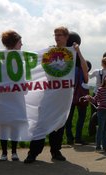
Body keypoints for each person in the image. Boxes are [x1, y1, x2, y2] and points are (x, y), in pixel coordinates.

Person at [24, 26, 89, 164]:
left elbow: (85, 71)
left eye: (60, 35)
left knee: (59, 125)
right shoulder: (50, 51)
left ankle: (56, 151)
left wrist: (78, 51)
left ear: (66, 37)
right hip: (48, 95)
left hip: (63, 98)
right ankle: (33, 153)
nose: (57, 37)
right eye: (55, 34)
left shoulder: (72, 54)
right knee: (41, 124)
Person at [0, 30, 23, 161]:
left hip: (16, 96)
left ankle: (13, 151)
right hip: (4, 96)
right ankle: (4, 152)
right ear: (14, 43)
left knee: (14, 123)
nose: (22, 44)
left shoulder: (21, 59)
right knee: (4, 124)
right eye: (20, 42)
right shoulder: (0, 58)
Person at [86, 71, 106, 152]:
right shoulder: (101, 89)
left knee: (105, 129)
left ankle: (105, 147)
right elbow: (95, 100)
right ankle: (98, 147)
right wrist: (89, 98)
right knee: (100, 129)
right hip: (101, 111)